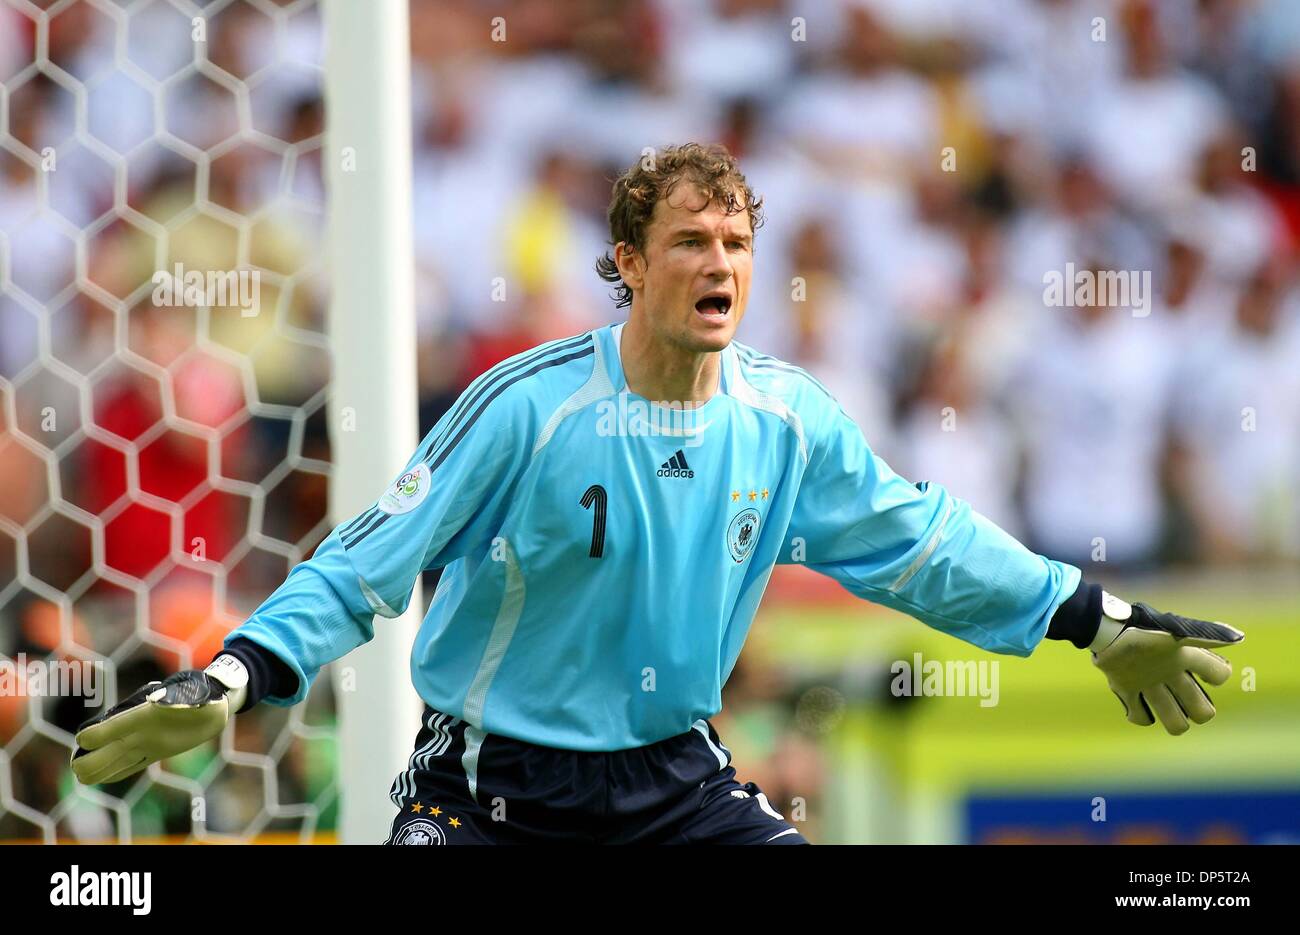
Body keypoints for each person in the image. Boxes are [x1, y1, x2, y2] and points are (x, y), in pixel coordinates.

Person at [69, 143, 1244, 845]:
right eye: (688, 241)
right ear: (627, 263)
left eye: (734, 241)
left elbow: (921, 542)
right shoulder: (527, 406)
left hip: (675, 782)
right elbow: (368, 558)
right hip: (495, 788)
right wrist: (235, 672)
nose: (718, 263)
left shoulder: (783, 422)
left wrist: (1099, 620)